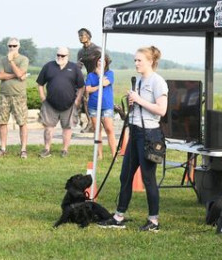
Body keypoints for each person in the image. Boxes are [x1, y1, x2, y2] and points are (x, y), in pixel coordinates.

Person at [98, 46, 168, 232]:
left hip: (149, 135)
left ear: (150, 61)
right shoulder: (137, 80)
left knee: (148, 178)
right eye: (135, 60)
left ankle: (153, 221)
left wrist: (139, 100)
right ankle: (118, 217)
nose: (136, 63)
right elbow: (139, 105)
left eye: (139, 60)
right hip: (135, 131)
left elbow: (162, 110)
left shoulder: (157, 81)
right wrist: (131, 103)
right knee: (125, 176)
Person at [36, 47, 84, 158]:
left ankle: (65, 150)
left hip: (69, 105)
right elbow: (40, 83)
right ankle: (47, 149)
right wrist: (43, 97)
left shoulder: (74, 68)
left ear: (68, 56)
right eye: (58, 55)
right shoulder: (48, 66)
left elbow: (81, 86)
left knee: (67, 128)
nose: (60, 57)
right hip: (50, 105)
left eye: (62, 55)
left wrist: (77, 100)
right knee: (48, 127)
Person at [0, 38, 29, 158]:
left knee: (22, 122)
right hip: (4, 95)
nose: (12, 48)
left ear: (18, 47)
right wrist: (16, 75)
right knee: (2, 122)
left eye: (14, 46)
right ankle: (3, 148)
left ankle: (23, 150)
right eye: (10, 46)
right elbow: (0, 75)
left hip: (18, 95)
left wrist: (11, 62)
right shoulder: (2, 60)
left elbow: (21, 73)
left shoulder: (23, 59)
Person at [85, 53, 116, 159]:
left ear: (106, 63)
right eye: (98, 60)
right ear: (96, 62)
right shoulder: (90, 75)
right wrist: (98, 85)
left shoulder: (110, 73)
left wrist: (100, 75)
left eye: (102, 61)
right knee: (97, 129)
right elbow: (88, 89)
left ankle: (114, 154)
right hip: (93, 105)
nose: (100, 62)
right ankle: (99, 154)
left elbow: (105, 83)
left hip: (106, 105)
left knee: (109, 128)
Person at [77, 28, 101, 133]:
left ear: (89, 36)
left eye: (82, 35)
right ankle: (90, 124)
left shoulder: (97, 49)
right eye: (79, 35)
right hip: (89, 78)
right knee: (85, 99)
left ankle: (118, 110)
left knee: (101, 99)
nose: (80, 37)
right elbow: (78, 67)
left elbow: (107, 61)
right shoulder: (81, 52)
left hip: (99, 76)